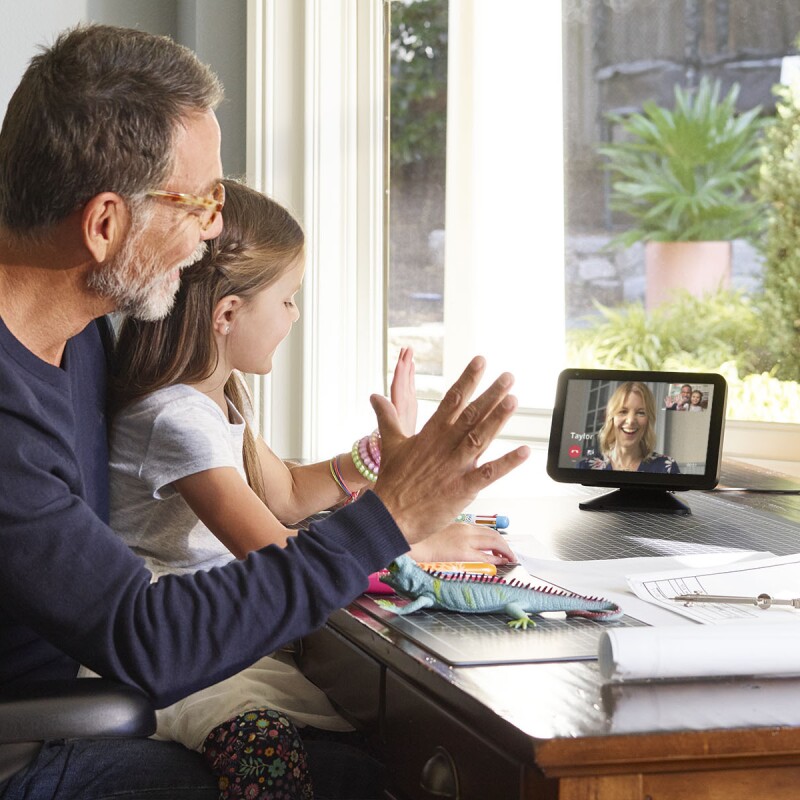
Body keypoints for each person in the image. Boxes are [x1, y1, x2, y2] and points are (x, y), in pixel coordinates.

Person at [0, 23, 529, 800]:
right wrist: (390, 518)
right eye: (199, 202)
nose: (213, 228)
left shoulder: (77, 337)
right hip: (31, 747)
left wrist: (374, 492)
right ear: (105, 224)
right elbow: (149, 636)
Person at [103, 179, 515, 798]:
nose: (295, 316)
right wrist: (413, 540)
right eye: (289, 299)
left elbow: (287, 493)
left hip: (217, 629)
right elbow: (274, 552)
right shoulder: (177, 420)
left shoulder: (212, 395)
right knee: (269, 745)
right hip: (182, 646)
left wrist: (375, 461)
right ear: (227, 315)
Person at [578, 381, 680, 474]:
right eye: (623, 411)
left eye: (640, 413)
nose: (630, 421)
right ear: (611, 417)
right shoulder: (585, 468)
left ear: (649, 419)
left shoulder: (667, 467)